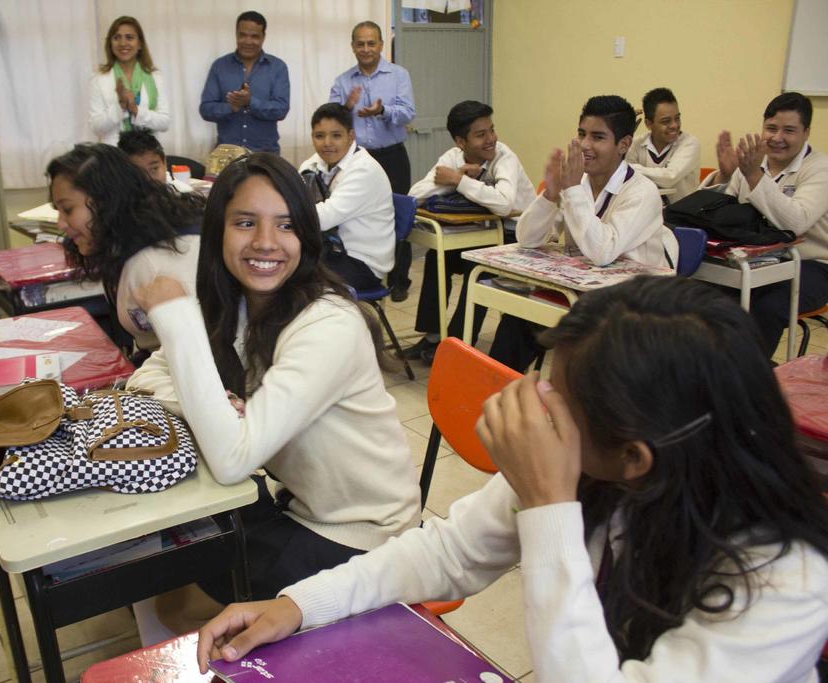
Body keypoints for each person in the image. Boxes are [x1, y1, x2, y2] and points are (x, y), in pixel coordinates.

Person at [195, 276, 828, 682]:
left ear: (635, 458)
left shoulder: (787, 579)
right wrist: (298, 605)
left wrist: (549, 508)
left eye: (565, 398)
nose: (540, 402)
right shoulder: (600, 467)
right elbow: (447, 551)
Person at [124, 153, 420, 638]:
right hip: (299, 502)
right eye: (245, 222)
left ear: (306, 234)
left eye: (285, 225)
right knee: (154, 567)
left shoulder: (328, 324)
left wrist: (175, 323)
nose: (265, 242)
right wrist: (216, 401)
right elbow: (148, 376)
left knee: (174, 606)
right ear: (218, 229)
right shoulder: (237, 303)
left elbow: (232, 459)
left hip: (361, 534)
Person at [489, 95, 670, 372]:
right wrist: (550, 195)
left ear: (623, 145)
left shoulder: (641, 192)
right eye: (581, 134)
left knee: (579, 347)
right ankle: (485, 400)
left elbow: (602, 252)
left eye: (598, 137)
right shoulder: (579, 181)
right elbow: (527, 239)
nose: (585, 145)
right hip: (583, 295)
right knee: (517, 319)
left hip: (632, 307)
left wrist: (571, 191)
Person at [405, 100, 536, 363]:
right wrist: (457, 175)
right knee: (436, 259)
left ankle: (456, 345)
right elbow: (414, 195)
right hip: (481, 230)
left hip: (516, 236)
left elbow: (504, 204)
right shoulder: (452, 158)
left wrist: (459, 181)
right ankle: (432, 336)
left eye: (492, 130)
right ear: (460, 142)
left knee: (478, 270)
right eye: (481, 134)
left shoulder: (504, 156)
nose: (491, 139)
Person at [701, 91, 828, 357]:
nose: (777, 138)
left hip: (812, 265)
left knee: (766, 306)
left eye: (789, 130)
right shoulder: (752, 163)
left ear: (806, 132)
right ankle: (705, 370)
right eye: (771, 128)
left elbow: (796, 223)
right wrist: (725, 175)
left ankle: (746, 382)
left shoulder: (820, 168)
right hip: (754, 262)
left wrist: (754, 175)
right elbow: (719, 215)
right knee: (701, 294)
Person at [47, 144, 203, 351]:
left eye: (67, 209)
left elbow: (196, 357)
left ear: (106, 201)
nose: (60, 224)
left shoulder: (157, 262)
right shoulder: (126, 245)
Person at [329, 21, 416, 300]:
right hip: (357, 161)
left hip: (391, 155)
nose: (366, 49)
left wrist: (383, 111)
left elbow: (407, 113)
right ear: (352, 46)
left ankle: (400, 279)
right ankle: (360, 267)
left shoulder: (398, 75)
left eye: (371, 43)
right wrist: (346, 108)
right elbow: (331, 118)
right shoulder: (343, 81)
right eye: (360, 43)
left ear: (381, 45)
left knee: (397, 216)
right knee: (356, 217)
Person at [297, 103, 395, 291]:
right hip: (328, 252)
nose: (327, 143)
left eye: (336, 135)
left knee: (297, 283)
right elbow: (295, 196)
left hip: (361, 263)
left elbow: (321, 219)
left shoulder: (364, 169)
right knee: (279, 269)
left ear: (351, 137)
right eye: (319, 136)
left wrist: (279, 212)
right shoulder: (315, 163)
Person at [199, 11, 290, 154]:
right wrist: (231, 107)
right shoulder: (219, 66)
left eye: (254, 36)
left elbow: (281, 109)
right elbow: (205, 110)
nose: (248, 41)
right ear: (236, 35)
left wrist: (250, 102)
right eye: (243, 35)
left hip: (265, 156)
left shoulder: (277, 67)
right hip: (226, 156)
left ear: (263, 37)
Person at [89, 16, 170, 145]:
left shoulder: (155, 76)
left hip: (147, 154)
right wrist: (120, 107)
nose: (122, 43)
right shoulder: (99, 78)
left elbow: (164, 123)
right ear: (110, 43)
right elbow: (96, 127)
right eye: (117, 38)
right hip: (113, 157)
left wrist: (135, 110)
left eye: (129, 37)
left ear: (140, 44)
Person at [625, 87, 701, 203]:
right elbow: (621, 178)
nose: (674, 125)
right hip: (644, 214)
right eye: (666, 121)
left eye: (677, 118)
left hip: (682, 218)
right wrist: (624, 135)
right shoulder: (635, 143)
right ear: (648, 124)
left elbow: (670, 177)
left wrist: (627, 169)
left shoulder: (689, 143)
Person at [117, 127, 194, 194]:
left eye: (154, 169)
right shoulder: (118, 203)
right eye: (139, 172)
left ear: (165, 164)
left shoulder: (183, 193)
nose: (149, 178)